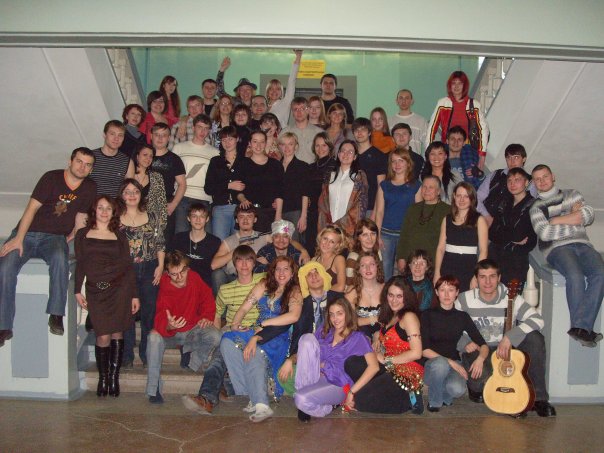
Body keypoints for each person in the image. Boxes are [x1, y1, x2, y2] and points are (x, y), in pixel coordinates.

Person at [0, 148, 96, 346]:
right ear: (70, 161)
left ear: (91, 169)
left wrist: (72, 237)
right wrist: (18, 238)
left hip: (54, 238)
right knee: (6, 266)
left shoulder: (89, 187)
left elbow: (81, 218)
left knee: (60, 259)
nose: (82, 167)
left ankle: (56, 314)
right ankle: (4, 326)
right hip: (28, 233)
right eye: (79, 161)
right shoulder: (51, 178)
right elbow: (31, 209)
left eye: (87, 164)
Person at [456, 259, 556, 417]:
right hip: (479, 350)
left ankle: (539, 398)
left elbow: (538, 320)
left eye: (492, 276)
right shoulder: (464, 299)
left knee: (535, 338)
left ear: (499, 277)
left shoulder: (511, 297)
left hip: (505, 348)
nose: (487, 282)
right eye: (482, 277)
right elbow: (451, 326)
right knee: (480, 379)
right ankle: (478, 387)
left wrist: (510, 337)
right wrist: (465, 342)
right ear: (476, 278)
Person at [181, 245, 265, 415]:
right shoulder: (225, 290)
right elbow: (217, 316)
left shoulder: (264, 280)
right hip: (232, 332)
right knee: (219, 356)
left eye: (248, 260)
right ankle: (206, 398)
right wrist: (218, 337)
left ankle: (225, 386)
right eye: (239, 260)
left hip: (258, 332)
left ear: (254, 263)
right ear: (234, 263)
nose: (244, 265)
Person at [221, 256, 303, 422]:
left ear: (292, 272)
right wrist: (235, 324)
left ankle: (262, 405)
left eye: (286, 269)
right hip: (257, 330)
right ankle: (248, 395)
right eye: (278, 269)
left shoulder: (295, 291)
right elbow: (244, 308)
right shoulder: (264, 285)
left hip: (278, 335)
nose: (281, 273)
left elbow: (293, 316)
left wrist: (265, 324)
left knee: (256, 350)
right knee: (227, 342)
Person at [530, 164, 604, 346]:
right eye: (537, 179)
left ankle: (580, 328)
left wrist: (555, 220)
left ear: (553, 176)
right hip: (556, 248)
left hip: (583, 244)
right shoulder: (536, 207)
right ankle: (582, 328)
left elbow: (588, 216)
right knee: (575, 275)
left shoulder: (572, 194)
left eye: (545, 176)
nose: (542, 181)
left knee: (600, 273)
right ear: (534, 183)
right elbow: (545, 233)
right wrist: (573, 218)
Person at [74, 196, 139, 397]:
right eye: (100, 207)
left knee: (117, 332)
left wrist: (134, 295)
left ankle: (113, 378)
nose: (104, 211)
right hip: (95, 291)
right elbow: (80, 263)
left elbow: (128, 266)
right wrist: (77, 290)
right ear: (94, 211)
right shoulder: (83, 234)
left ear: (113, 212)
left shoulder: (119, 235)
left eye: (108, 208)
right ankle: (103, 378)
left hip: (119, 289)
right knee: (102, 334)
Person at [146, 251, 221, 404]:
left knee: (216, 335)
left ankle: (192, 359)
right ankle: (153, 389)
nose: (179, 277)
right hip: (170, 333)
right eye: (174, 274)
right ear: (167, 273)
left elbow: (207, 299)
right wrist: (168, 325)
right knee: (153, 337)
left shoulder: (194, 277)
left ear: (188, 269)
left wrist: (206, 316)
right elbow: (158, 317)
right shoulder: (162, 286)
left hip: (191, 329)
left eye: (182, 272)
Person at [344, 277, 424, 414]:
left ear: (406, 297)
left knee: (359, 402)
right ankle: (376, 390)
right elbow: (383, 333)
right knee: (351, 363)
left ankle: (409, 399)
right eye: (391, 295)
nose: (394, 300)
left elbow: (417, 353)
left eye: (399, 296)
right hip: (389, 368)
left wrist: (387, 360)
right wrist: (376, 337)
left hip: (406, 371)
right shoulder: (389, 314)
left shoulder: (409, 317)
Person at [294, 297, 378, 421]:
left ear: (348, 314)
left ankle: (328, 407)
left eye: (339, 313)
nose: (335, 319)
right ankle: (303, 393)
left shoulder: (358, 338)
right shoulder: (324, 331)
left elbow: (374, 367)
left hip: (337, 383)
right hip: (315, 376)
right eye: (332, 314)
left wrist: (352, 392)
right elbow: (307, 351)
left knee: (300, 398)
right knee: (307, 338)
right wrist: (292, 360)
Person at [420, 275, 487, 411]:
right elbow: (424, 350)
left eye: (450, 290)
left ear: (457, 293)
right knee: (441, 364)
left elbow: (483, 344)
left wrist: (480, 359)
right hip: (432, 366)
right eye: (442, 290)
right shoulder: (427, 315)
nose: (446, 294)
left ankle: (444, 394)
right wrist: (450, 362)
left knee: (457, 389)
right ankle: (434, 402)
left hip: (454, 363)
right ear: (437, 292)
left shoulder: (462, 316)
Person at [119, 179, 166, 368]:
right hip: (125, 270)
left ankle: (147, 354)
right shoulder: (115, 219)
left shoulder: (152, 216)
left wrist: (160, 266)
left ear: (141, 194)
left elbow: (160, 242)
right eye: (127, 191)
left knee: (149, 312)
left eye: (135, 191)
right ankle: (127, 356)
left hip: (149, 267)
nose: (132, 195)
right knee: (127, 313)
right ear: (122, 195)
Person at [276, 262, 342, 395]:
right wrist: (290, 359)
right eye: (309, 274)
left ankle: (311, 395)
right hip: (308, 358)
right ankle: (314, 395)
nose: (314, 276)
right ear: (304, 280)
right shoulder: (299, 304)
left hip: (335, 356)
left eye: (317, 272)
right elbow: (292, 334)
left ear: (324, 275)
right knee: (283, 376)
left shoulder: (339, 299)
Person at [426, 70, 489, 169]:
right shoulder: (442, 103)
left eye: (460, 83)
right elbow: (432, 128)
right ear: (449, 85)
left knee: (469, 174)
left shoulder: (474, 105)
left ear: (465, 86)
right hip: (448, 145)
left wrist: (482, 154)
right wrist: (429, 150)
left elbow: (483, 130)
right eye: (453, 83)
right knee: (443, 173)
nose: (456, 86)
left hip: (468, 147)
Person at [374, 149, 421, 279]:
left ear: (408, 163)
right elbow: (379, 212)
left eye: (401, 160)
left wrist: (414, 237)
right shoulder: (384, 185)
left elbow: (419, 214)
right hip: (386, 234)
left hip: (406, 236)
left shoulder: (416, 185)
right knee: (385, 272)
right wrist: (377, 235)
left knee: (405, 272)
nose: (397, 164)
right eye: (394, 161)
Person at [434, 182, 488, 292]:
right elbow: (440, 248)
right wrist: (437, 272)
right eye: (459, 196)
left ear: (472, 198)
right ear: (454, 196)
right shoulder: (446, 219)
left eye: (466, 196)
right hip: (447, 266)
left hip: (469, 268)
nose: (462, 200)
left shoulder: (480, 220)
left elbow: (483, 251)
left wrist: (476, 276)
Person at [488, 168, 536, 289]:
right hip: (495, 257)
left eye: (517, 180)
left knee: (511, 298)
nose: (512, 184)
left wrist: (505, 233)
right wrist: (511, 237)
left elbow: (520, 235)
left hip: (516, 260)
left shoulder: (533, 205)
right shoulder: (503, 203)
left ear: (526, 182)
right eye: (509, 180)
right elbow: (492, 233)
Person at [172, 114, 219, 234]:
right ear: (193, 128)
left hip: (204, 198)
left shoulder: (215, 152)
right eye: (199, 127)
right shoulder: (178, 148)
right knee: (181, 235)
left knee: (206, 237)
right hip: (182, 197)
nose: (202, 131)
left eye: (206, 128)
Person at [396, 176, 449, 273]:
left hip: (434, 263)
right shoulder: (413, 208)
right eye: (424, 187)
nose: (426, 190)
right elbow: (404, 235)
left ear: (438, 191)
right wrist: (401, 257)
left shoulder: (447, 211)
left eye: (431, 187)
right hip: (412, 262)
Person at [317, 140, 368, 237]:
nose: (346, 154)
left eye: (350, 152)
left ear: (355, 157)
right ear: (338, 154)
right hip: (328, 227)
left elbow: (360, 205)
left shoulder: (359, 176)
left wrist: (339, 225)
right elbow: (323, 202)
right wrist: (328, 224)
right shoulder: (330, 175)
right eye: (343, 151)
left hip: (348, 229)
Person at [237, 130, 284, 233]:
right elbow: (238, 189)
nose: (258, 145)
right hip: (249, 214)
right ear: (249, 143)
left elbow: (280, 191)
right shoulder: (243, 164)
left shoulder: (275, 165)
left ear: (266, 143)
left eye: (262, 142)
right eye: (255, 141)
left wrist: (278, 215)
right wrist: (243, 199)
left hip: (270, 213)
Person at [477, 143, 534, 227]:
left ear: (524, 159)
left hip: (505, 227)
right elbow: (477, 198)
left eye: (516, 157)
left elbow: (528, 211)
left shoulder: (530, 182)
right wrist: (486, 216)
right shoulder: (495, 174)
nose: (512, 161)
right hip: (481, 218)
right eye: (509, 157)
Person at [204, 126, 246, 240]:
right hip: (220, 208)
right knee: (220, 243)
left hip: (240, 209)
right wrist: (228, 185)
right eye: (224, 140)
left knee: (240, 244)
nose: (227, 143)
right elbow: (208, 188)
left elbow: (250, 186)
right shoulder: (215, 161)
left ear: (237, 139)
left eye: (230, 139)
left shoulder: (245, 161)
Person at [149, 122, 186, 249]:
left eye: (164, 135)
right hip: (143, 204)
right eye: (157, 135)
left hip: (165, 204)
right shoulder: (143, 155)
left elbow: (182, 184)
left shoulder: (174, 159)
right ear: (151, 136)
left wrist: (173, 204)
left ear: (169, 137)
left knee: (164, 243)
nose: (160, 138)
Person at [171, 203, 221, 289]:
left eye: (202, 216)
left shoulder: (214, 242)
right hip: (182, 283)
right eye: (194, 216)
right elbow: (171, 263)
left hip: (203, 285)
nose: (198, 220)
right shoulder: (179, 238)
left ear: (207, 219)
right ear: (188, 218)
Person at [306, 132, 337, 254]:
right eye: (317, 145)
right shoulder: (310, 167)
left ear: (330, 147)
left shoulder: (335, 166)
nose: (320, 149)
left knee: (326, 249)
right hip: (312, 212)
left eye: (324, 145)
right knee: (311, 247)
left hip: (327, 213)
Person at [352, 117, 388, 219]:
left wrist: (375, 212)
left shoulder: (379, 156)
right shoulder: (350, 155)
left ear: (369, 132)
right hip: (351, 208)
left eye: (363, 129)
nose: (359, 133)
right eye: (356, 130)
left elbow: (381, 187)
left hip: (370, 208)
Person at [345, 252, 385, 338]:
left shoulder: (386, 289)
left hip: (384, 332)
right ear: (358, 270)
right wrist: (376, 318)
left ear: (377, 267)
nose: (368, 268)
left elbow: (395, 317)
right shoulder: (352, 292)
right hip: (361, 334)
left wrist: (378, 334)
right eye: (363, 265)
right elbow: (349, 322)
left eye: (372, 264)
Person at [90, 120, 134, 197]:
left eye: (120, 135)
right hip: (91, 202)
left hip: (115, 203)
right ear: (104, 135)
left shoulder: (127, 162)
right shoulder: (90, 156)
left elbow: (129, 190)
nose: (116, 138)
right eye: (112, 134)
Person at [131, 143, 168, 235]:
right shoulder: (128, 174)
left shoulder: (157, 177)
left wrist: (160, 227)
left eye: (151, 156)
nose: (148, 158)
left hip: (150, 225)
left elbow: (162, 204)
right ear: (137, 156)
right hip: (129, 222)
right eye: (145, 155)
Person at [280, 132, 310, 242]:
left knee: (294, 243)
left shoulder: (303, 166)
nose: (287, 147)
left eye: (290, 144)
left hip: (295, 211)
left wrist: (303, 216)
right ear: (279, 146)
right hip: (278, 211)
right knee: (280, 242)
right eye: (283, 144)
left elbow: (305, 193)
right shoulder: (275, 166)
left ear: (296, 146)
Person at [281, 97, 323, 164]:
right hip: (291, 169)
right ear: (292, 112)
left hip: (312, 169)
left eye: (302, 109)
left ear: (308, 110)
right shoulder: (284, 132)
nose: (299, 112)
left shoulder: (319, 132)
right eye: (295, 109)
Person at [266, 49, 303, 126]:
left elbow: (292, 80)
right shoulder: (263, 105)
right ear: (267, 92)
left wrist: (298, 56)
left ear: (281, 92)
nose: (274, 91)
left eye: (278, 89)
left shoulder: (285, 102)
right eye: (271, 88)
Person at [389, 89, 428, 155]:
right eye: (401, 98)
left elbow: (427, 143)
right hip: (395, 159)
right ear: (397, 101)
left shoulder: (421, 121)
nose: (404, 101)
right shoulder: (389, 121)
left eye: (407, 98)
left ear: (412, 101)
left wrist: (424, 159)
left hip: (415, 159)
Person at [345, 218, 381, 289]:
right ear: (358, 237)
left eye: (373, 234)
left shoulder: (378, 252)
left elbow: (380, 277)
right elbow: (349, 286)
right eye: (365, 235)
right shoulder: (353, 257)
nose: (370, 238)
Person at [311, 225, 347, 292]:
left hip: (334, 297)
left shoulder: (338, 259)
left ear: (337, 245)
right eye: (325, 239)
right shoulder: (313, 260)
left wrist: (321, 293)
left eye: (332, 241)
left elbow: (341, 287)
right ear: (320, 238)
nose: (327, 243)